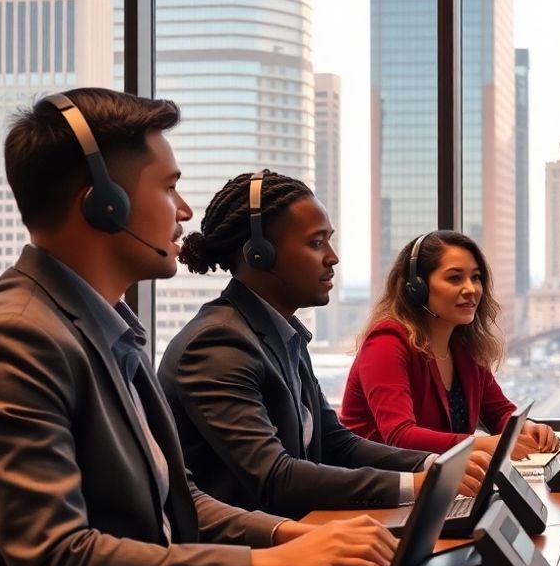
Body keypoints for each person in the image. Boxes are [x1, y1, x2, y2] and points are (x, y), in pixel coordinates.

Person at [0, 88, 396, 566]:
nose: (185, 211)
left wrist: (294, 537)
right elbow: (60, 565)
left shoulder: (104, 329)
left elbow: (180, 502)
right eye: (168, 187)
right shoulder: (10, 342)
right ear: (103, 203)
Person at [159, 170, 490, 520]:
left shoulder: (284, 337)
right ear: (259, 254)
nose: (332, 257)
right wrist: (416, 485)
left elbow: (336, 443)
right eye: (316, 243)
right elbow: (275, 476)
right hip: (250, 558)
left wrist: (436, 465)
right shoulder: (217, 345)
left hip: (301, 538)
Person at [341, 230, 560, 456]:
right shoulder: (386, 343)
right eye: (455, 278)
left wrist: (527, 429)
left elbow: (499, 413)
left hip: (441, 484)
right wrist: (485, 444)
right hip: (381, 485)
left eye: (476, 277)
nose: (471, 289)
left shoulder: (463, 346)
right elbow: (400, 436)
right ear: (417, 288)